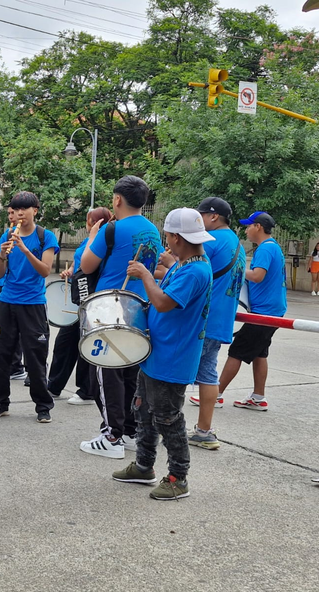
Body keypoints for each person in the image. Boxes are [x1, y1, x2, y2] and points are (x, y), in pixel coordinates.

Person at [112, 207, 213, 501]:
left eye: (167, 236)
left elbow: (164, 303)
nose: (166, 241)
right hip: (157, 353)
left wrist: (145, 274)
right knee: (143, 410)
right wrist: (168, 265)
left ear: (177, 238)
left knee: (168, 418)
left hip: (173, 358)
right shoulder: (188, 264)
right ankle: (144, 466)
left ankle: (178, 478)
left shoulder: (195, 270)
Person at [79, 175, 163, 459]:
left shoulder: (111, 229)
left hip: (109, 307)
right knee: (129, 371)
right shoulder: (152, 230)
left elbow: (87, 265)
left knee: (105, 370)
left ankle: (111, 436)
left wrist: (92, 237)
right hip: (139, 306)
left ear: (117, 199)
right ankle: (128, 430)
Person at [0, 191, 60, 423]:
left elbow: (45, 271)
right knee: (1, 355)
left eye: (24, 209)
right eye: (16, 209)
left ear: (34, 211)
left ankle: (43, 406)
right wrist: (3, 255)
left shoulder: (45, 237)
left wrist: (25, 249)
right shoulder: (8, 234)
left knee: (36, 357)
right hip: (8, 301)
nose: (19, 214)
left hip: (33, 303)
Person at [186, 197, 246, 450]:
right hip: (221, 319)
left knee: (177, 372)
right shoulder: (236, 243)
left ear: (213, 217)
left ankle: (166, 426)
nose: (198, 221)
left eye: (200, 216)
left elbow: (189, 271)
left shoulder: (211, 240)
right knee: (208, 374)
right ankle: (204, 430)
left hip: (202, 318)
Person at [217, 212, 286, 412]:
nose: (246, 230)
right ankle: (258, 397)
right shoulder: (273, 247)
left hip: (263, 313)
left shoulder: (265, 248)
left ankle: (215, 394)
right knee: (260, 353)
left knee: (236, 351)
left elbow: (257, 276)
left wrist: (236, 270)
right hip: (272, 310)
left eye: (248, 226)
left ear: (258, 227)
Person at [47, 207, 113, 405]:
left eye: (88, 220)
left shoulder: (101, 241)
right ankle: (53, 385)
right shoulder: (88, 241)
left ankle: (86, 391)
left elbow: (91, 265)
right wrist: (70, 271)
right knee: (64, 342)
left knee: (85, 344)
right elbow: (81, 262)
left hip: (91, 298)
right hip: (79, 298)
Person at [0, 207, 26, 380]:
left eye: (14, 213)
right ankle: (6, 364)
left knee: (21, 331)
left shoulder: (38, 235)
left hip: (24, 292)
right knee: (2, 331)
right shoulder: (7, 234)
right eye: (10, 213)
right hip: (4, 286)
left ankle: (17, 365)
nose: (12, 216)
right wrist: (3, 254)